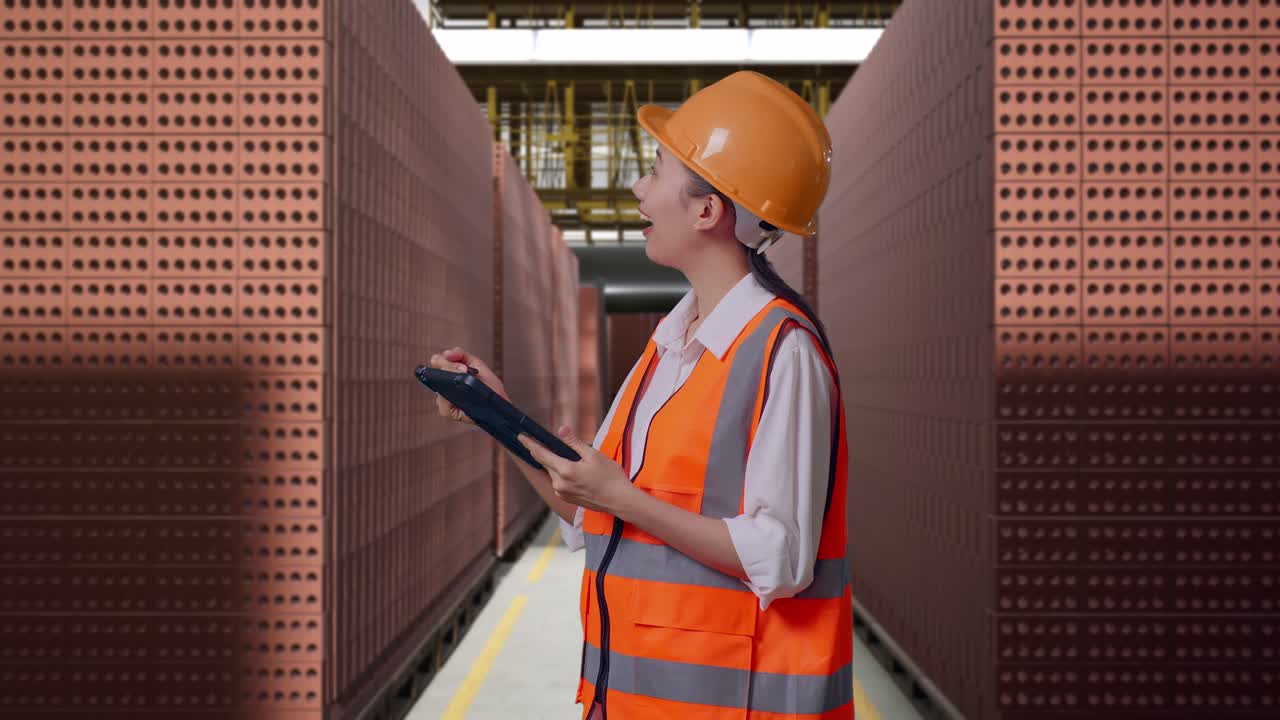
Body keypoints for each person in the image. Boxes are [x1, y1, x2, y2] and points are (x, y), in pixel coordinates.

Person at [428, 70, 851, 720]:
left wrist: (619, 495)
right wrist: (497, 415)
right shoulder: (669, 346)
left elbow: (781, 557)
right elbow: (588, 515)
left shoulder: (782, 353)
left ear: (708, 210)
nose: (637, 188)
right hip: (626, 700)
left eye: (655, 170)